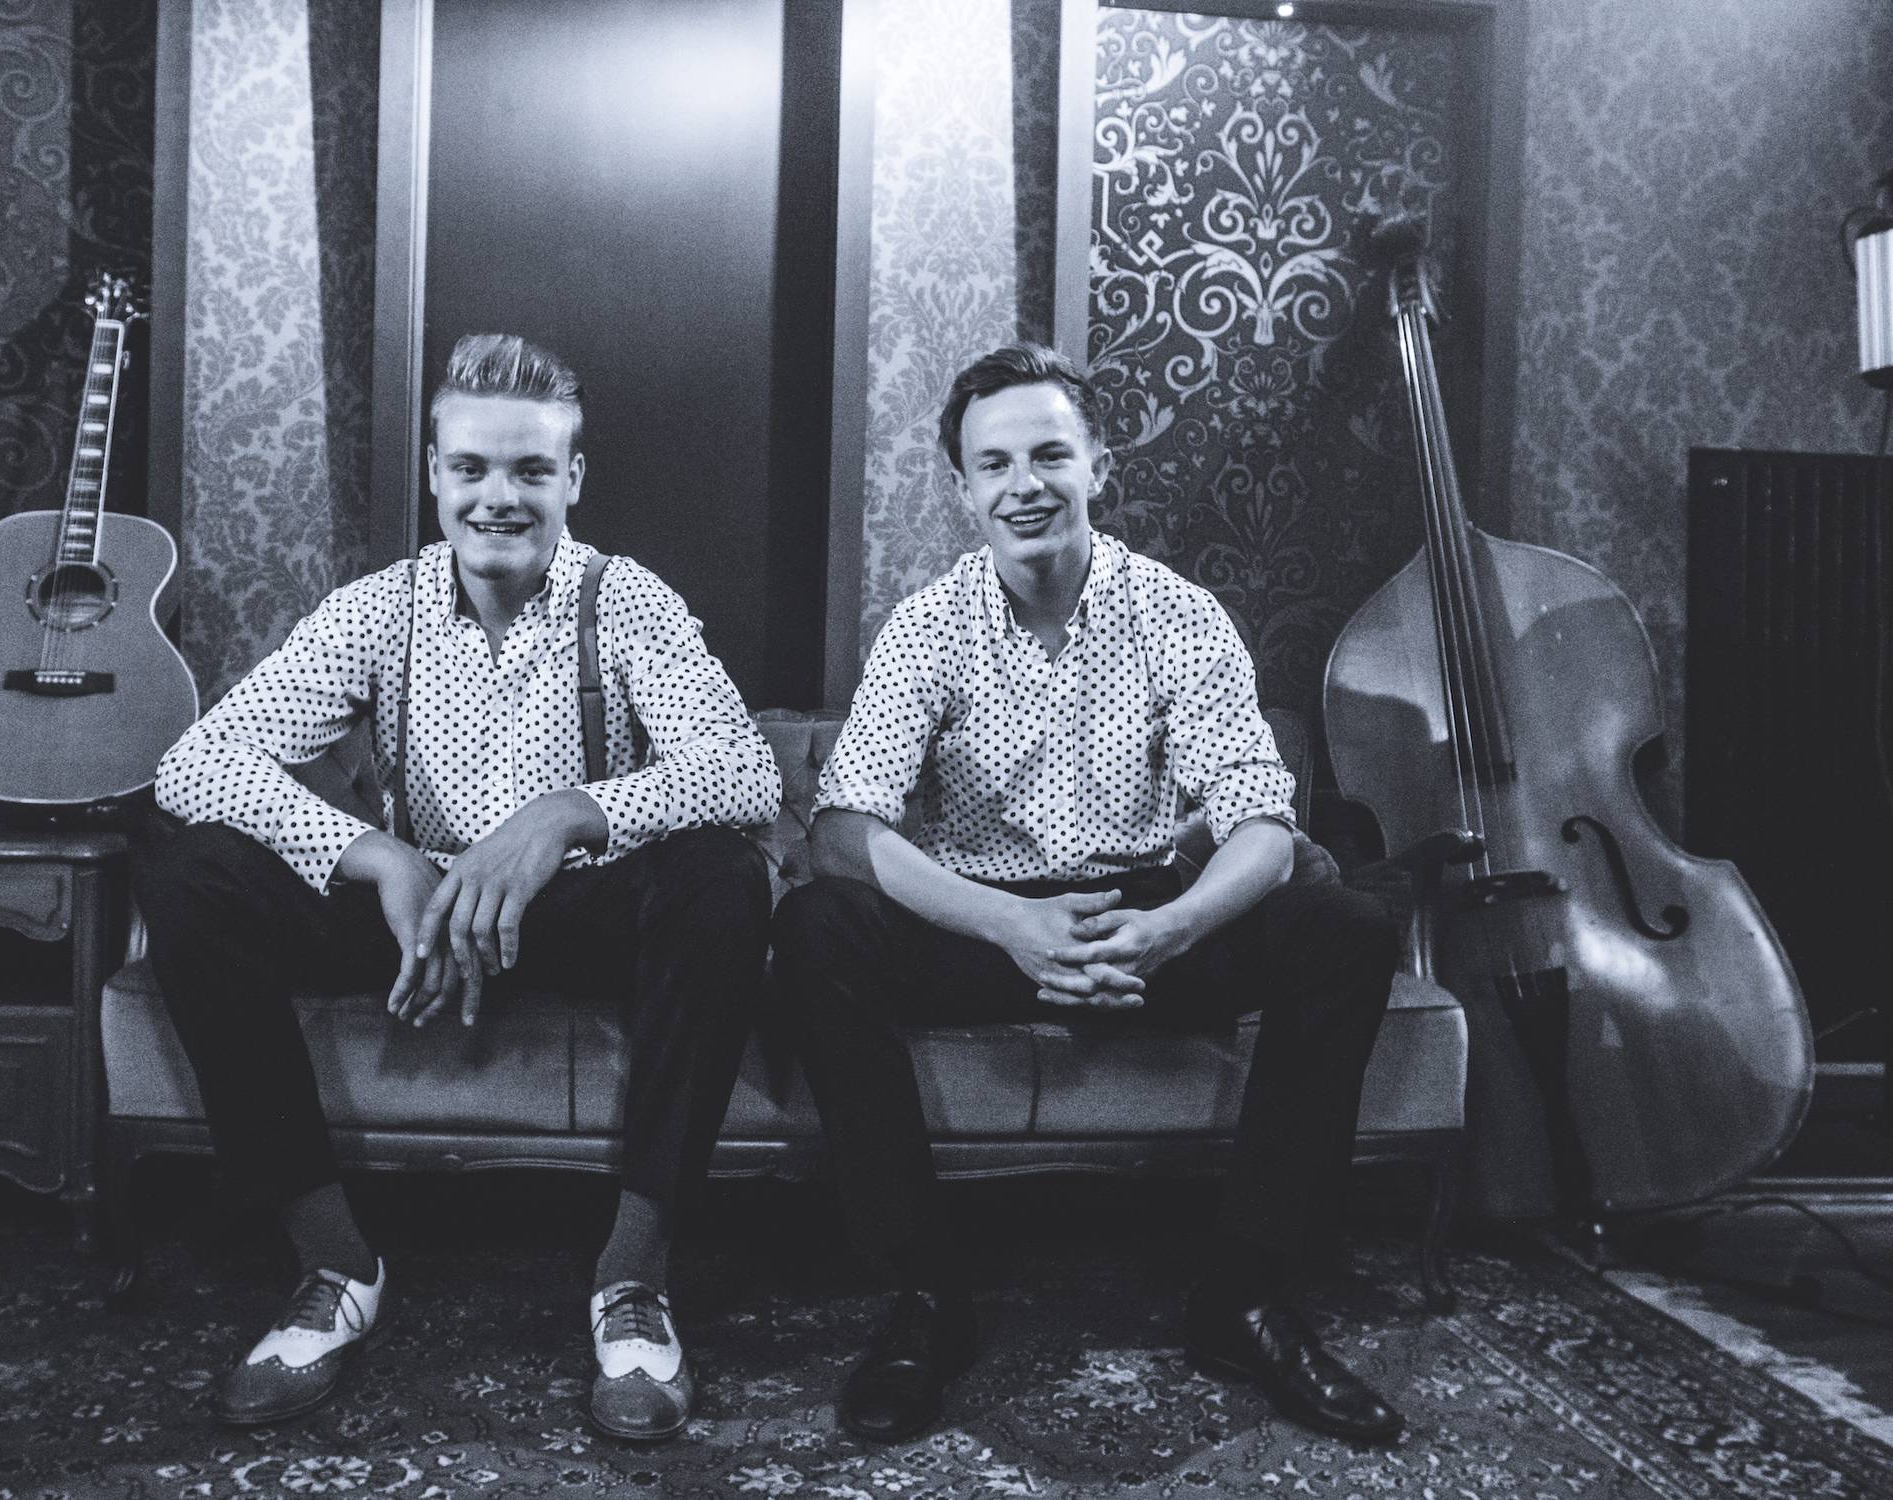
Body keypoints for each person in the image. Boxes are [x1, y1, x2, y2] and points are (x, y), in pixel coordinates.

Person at [138, 333, 780, 1439]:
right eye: (472, 468)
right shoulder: (377, 609)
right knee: (187, 865)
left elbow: (746, 773)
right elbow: (195, 763)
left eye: (531, 471)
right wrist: (377, 857)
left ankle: (633, 1280)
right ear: (435, 473)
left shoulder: (627, 601)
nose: (499, 498)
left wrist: (564, 815)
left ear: (573, 478)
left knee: (723, 877)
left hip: (576, 913)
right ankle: (334, 1265)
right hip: (416, 919)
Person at [771, 343, 1405, 1446]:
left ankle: (1245, 1297)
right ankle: (926, 1295)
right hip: (984, 928)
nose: (1025, 485)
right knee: (817, 923)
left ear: (1097, 465)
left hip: (1146, 925)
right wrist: (1013, 926)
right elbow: (842, 830)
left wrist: (1170, 928)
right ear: (963, 488)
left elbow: (1262, 822)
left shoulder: (1179, 614)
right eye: (995, 463)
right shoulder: (926, 627)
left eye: (1050, 454)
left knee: (1346, 927)